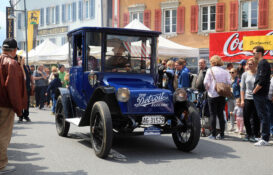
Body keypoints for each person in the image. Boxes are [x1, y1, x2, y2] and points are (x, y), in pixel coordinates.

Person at [0, 38, 27, 174]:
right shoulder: (12, 63)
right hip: (5, 104)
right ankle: (1, 165)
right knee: (3, 136)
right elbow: (13, 89)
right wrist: (19, 109)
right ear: (15, 50)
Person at [204, 55, 231, 140]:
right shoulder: (225, 71)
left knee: (213, 114)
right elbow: (229, 82)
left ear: (213, 62)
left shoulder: (210, 70)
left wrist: (208, 89)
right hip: (222, 94)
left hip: (212, 94)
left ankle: (213, 134)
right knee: (220, 114)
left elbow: (206, 82)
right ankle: (222, 134)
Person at [252, 46, 271, 146]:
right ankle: (263, 136)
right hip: (261, 93)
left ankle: (264, 138)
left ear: (259, 53)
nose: (253, 55)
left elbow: (262, 79)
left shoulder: (263, 63)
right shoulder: (262, 63)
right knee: (262, 115)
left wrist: (255, 90)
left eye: (254, 53)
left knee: (263, 115)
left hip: (260, 93)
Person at [241, 58, 260, 142]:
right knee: (246, 117)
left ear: (255, 64)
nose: (249, 66)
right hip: (247, 98)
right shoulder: (245, 74)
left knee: (256, 117)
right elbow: (242, 88)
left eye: (251, 64)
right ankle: (249, 133)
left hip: (257, 98)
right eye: (248, 64)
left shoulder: (259, 74)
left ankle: (256, 134)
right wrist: (242, 100)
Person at [16, 56, 32, 123]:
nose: (24, 61)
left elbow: (29, 75)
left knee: (27, 101)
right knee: (20, 101)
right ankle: (20, 116)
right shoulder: (17, 66)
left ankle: (26, 115)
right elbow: (22, 75)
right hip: (19, 87)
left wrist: (32, 83)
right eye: (22, 59)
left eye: (24, 60)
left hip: (27, 86)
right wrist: (21, 66)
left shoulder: (27, 67)